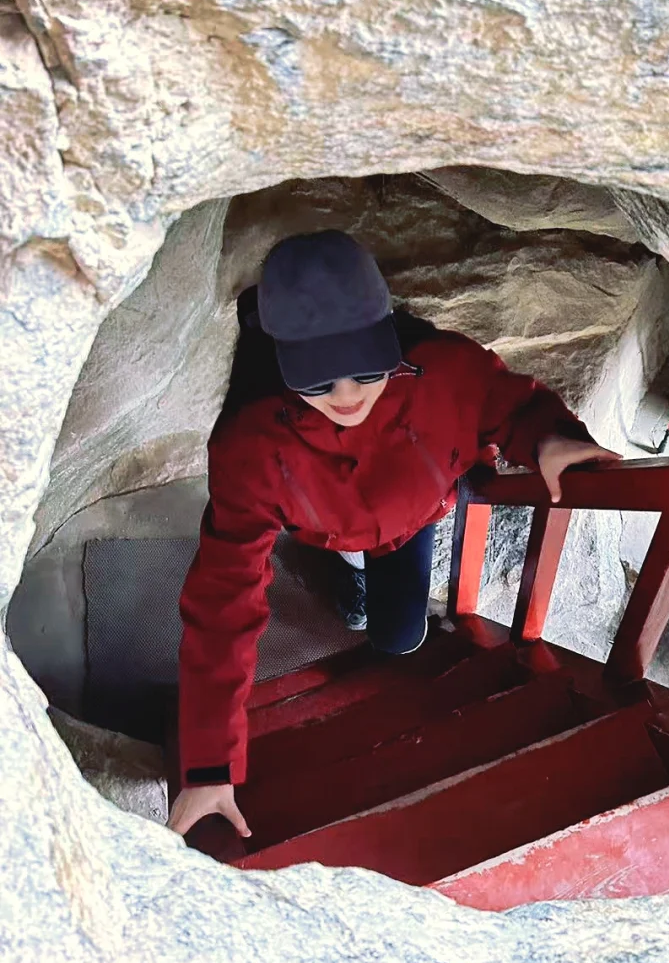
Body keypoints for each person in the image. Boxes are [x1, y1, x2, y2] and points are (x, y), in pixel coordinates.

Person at [167, 229, 618, 840]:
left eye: (365, 366)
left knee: (400, 637)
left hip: (410, 525)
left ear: (388, 334)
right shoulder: (251, 447)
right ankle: (348, 570)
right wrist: (209, 765)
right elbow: (225, 597)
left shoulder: (446, 368)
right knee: (369, 596)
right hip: (330, 530)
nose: (346, 395)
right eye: (317, 379)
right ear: (279, 361)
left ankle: (360, 581)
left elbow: (506, 403)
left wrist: (548, 437)